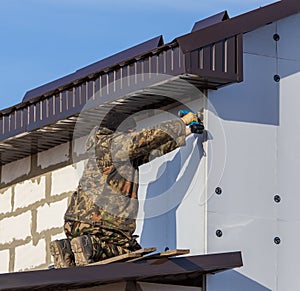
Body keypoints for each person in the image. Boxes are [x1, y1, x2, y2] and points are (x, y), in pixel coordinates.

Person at [50, 110, 203, 268]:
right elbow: (148, 138)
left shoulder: (105, 149)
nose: (133, 133)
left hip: (76, 224)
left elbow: (151, 150)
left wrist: (187, 132)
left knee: (94, 247)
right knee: (127, 250)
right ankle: (90, 246)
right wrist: (182, 122)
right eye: (131, 131)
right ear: (123, 132)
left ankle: (66, 249)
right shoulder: (114, 143)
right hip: (101, 224)